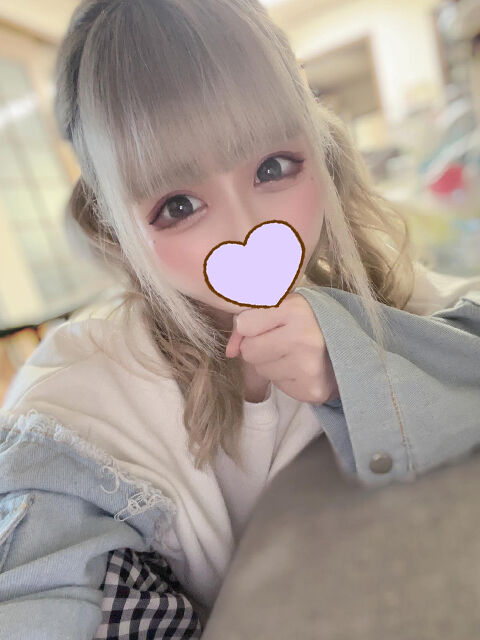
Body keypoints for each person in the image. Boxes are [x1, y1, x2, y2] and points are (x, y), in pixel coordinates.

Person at [1, 0, 479, 638]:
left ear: (321, 149)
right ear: (119, 230)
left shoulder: (380, 287)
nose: (246, 227)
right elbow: (44, 586)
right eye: (178, 205)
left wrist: (355, 359)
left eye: (273, 167)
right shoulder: (79, 399)